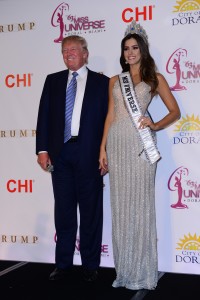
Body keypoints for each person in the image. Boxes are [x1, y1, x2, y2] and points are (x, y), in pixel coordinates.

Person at [99, 21, 180, 290]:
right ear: (122, 53)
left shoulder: (154, 79)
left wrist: (154, 125)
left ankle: (143, 272)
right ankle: (125, 270)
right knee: (121, 208)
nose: (130, 53)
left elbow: (174, 112)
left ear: (143, 50)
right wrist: (103, 149)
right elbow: (110, 116)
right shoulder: (115, 80)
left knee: (141, 206)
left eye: (134, 48)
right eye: (126, 49)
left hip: (141, 146)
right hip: (117, 145)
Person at [36, 35, 109, 282]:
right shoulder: (53, 81)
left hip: (89, 154)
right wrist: (42, 150)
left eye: (74, 50)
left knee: (91, 213)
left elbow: (109, 123)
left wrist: (105, 151)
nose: (68, 54)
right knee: (64, 212)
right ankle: (63, 264)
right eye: (65, 51)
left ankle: (91, 265)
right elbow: (43, 116)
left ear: (85, 53)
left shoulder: (103, 83)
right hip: (61, 154)